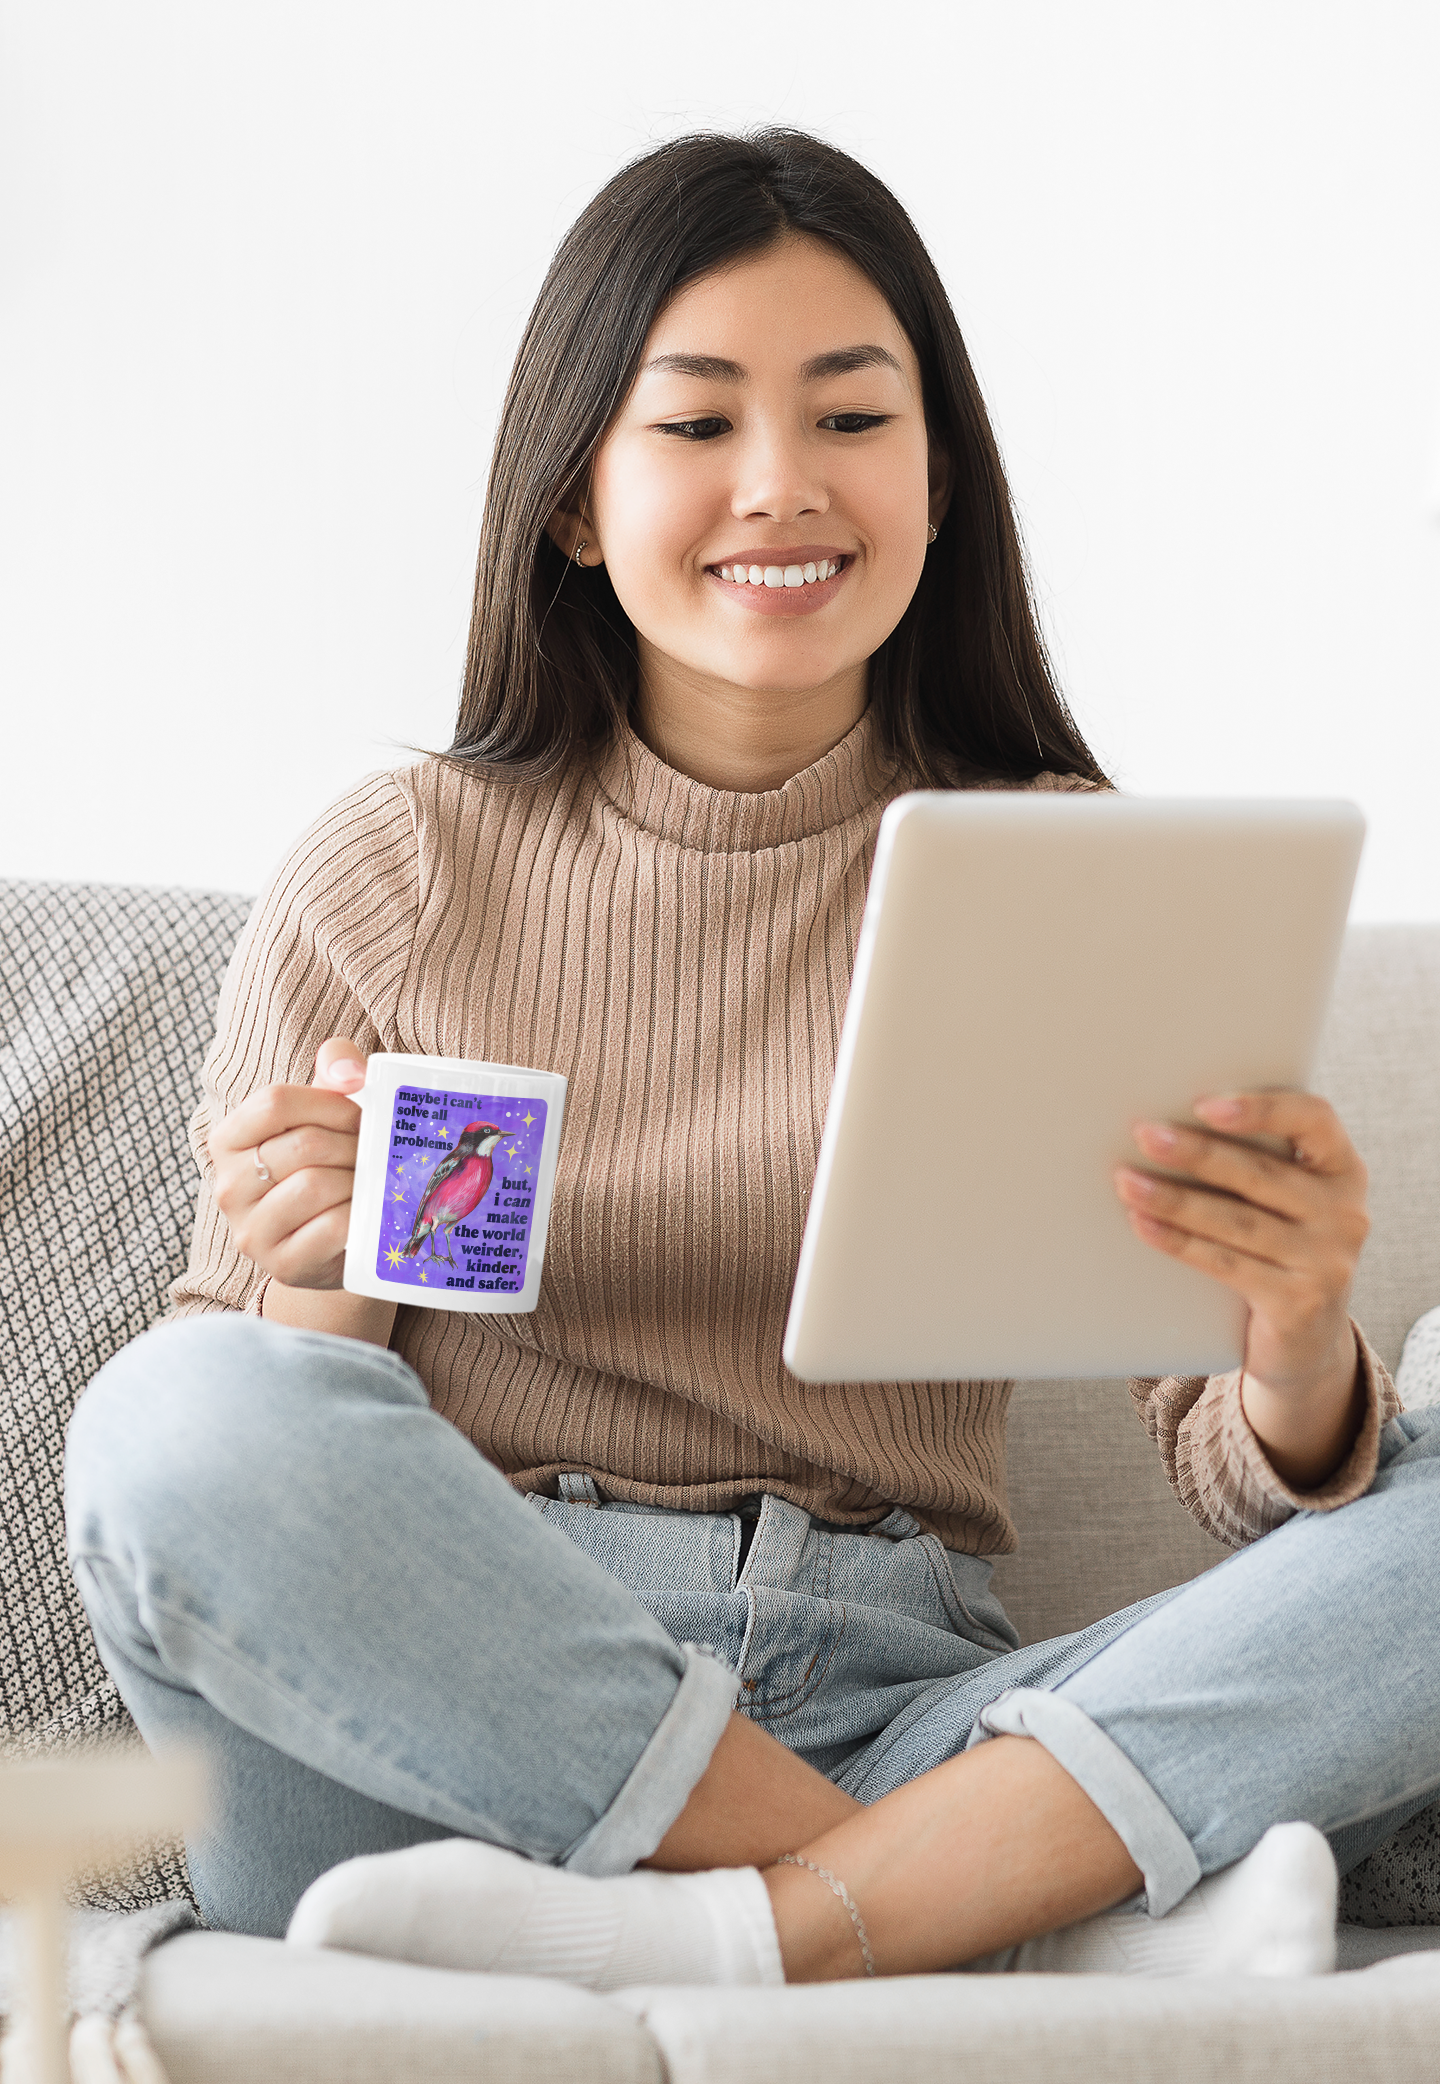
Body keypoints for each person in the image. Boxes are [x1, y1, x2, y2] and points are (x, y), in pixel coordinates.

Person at [65, 128, 1440, 1987]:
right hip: (452, 1745)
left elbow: (1236, 1465)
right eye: (697, 422)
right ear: (574, 498)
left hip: (900, 1703)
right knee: (172, 1411)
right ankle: (967, 1915)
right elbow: (245, 1475)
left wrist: (1293, 1341)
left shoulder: (1057, 867)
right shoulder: (394, 871)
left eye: (852, 418)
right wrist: (315, 1280)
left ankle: (793, 1919)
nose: (781, 483)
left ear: (938, 480)